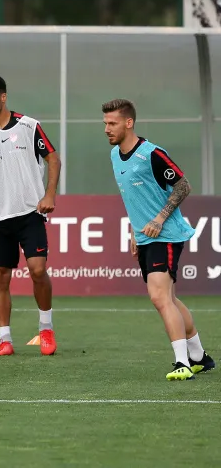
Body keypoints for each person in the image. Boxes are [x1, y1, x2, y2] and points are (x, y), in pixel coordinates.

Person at [102, 98, 214, 380]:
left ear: (129, 123)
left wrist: (159, 219)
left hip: (166, 235)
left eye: (112, 123)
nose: (107, 129)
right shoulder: (115, 155)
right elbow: (134, 199)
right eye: (105, 123)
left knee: (159, 296)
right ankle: (199, 357)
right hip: (144, 237)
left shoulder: (152, 154)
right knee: (169, 298)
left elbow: (183, 186)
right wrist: (134, 231)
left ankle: (182, 363)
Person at [0, 75, 60, 357]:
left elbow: (53, 159)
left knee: (38, 270)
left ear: (3, 97)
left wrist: (49, 195)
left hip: (30, 213)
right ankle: (4, 339)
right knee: (0, 278)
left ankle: (46, 328)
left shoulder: (29, 126)